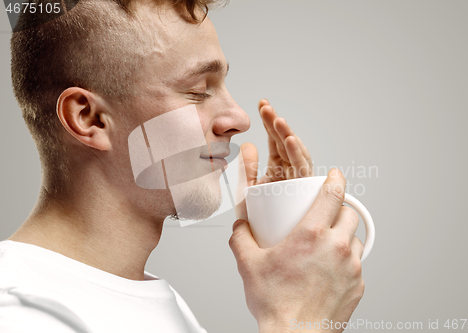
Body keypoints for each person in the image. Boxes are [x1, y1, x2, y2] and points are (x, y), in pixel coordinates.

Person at [0, 0, 365, 332]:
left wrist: (282, 235)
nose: (238, 118)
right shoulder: (21, 312)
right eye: (197, 91)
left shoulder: (157, 303)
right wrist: (297, 320)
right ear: (89, 118)